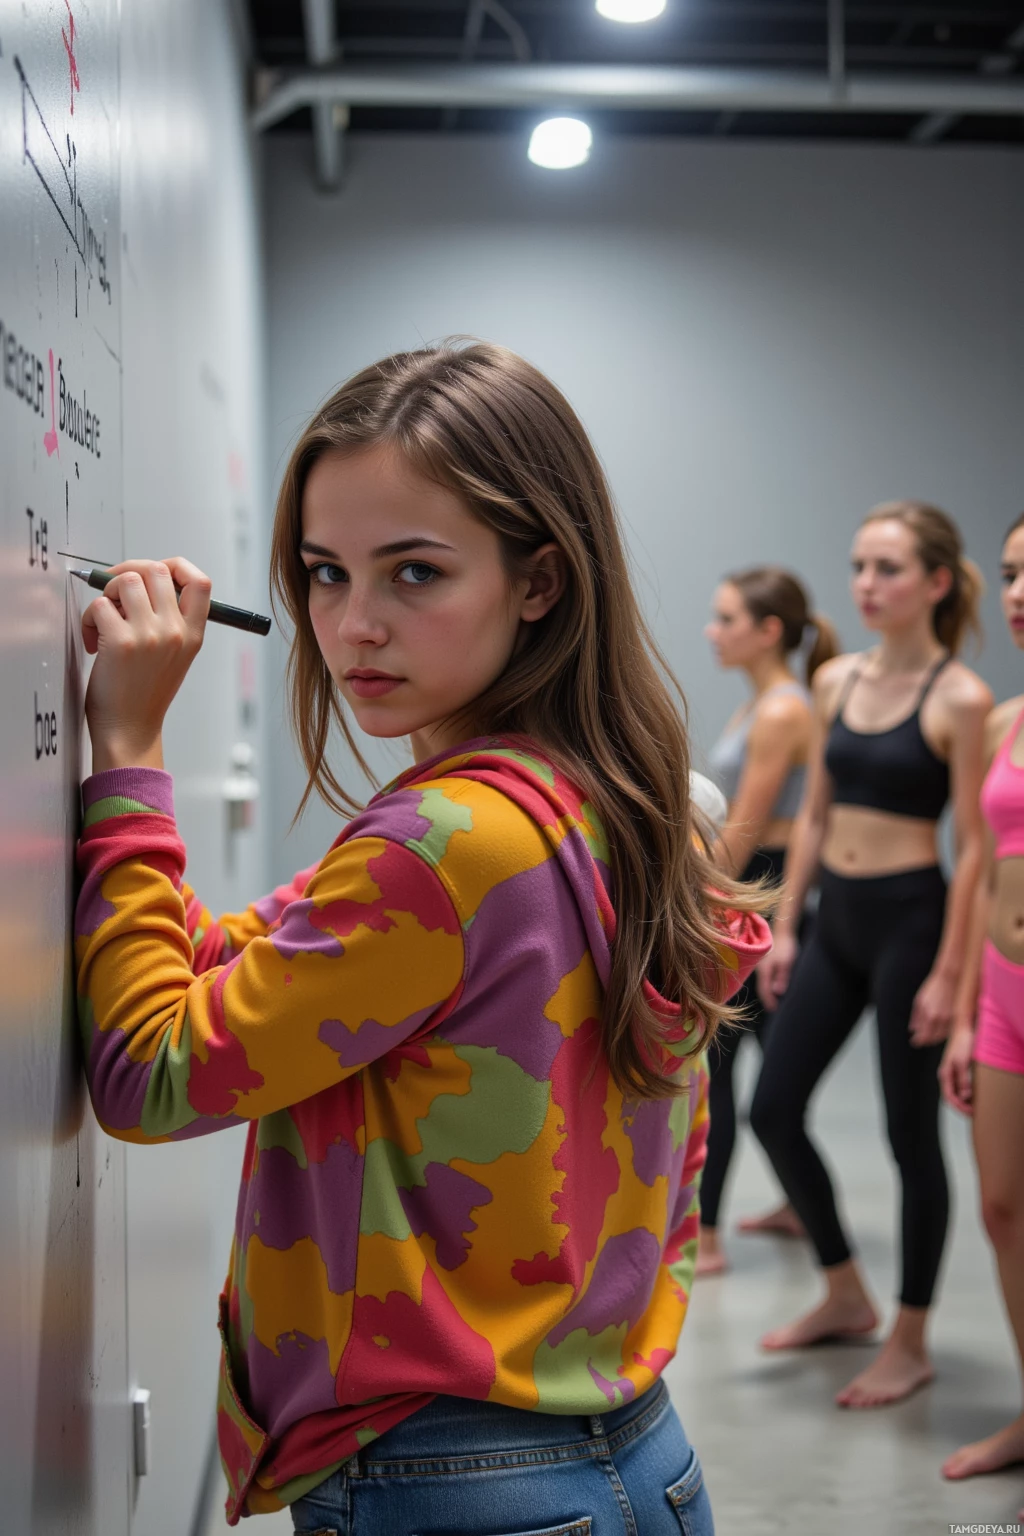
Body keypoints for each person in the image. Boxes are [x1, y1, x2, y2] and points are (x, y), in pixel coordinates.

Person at [73, 342, 770, 1532]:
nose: (353, 627)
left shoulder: (445, 843)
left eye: (414, 574)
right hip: (635, 1457)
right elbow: (244, 972)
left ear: (540, 581)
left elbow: (152, 1075)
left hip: (453, 1481)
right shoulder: (604, 798)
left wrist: (128, 758)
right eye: (324, 573)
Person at [751, 501, 992, 1409]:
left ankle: (912, 1337)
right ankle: (844, 1290)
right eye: (859, 566)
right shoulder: (836, 681)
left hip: (910, 923)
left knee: (908, 1136)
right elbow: (813, 812)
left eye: (888, 568)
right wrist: (785, 922)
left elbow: (971, 845)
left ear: (935, 582)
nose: (866, 584)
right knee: (775, 1105)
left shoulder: (959, 697)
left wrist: (950, 973)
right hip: (836, 918)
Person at [697, 568, 839, 1276]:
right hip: (750, 885)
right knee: (733, 1063)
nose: (711, 631)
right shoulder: (759, 705)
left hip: (762, 887)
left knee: (722, 1064)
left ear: (768, 631)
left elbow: (745, 826)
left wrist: (685, 894)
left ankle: (708, 1236)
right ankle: (788, 1205)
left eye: (726, 618)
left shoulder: (783, 710)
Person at [939, 512, 1024, 1497]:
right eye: (1008, 573)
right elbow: (979, 868)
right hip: (1001, 1002)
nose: (1016, 594)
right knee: (1004, 1210)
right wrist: (961, 1013)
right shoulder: (1005, 720)